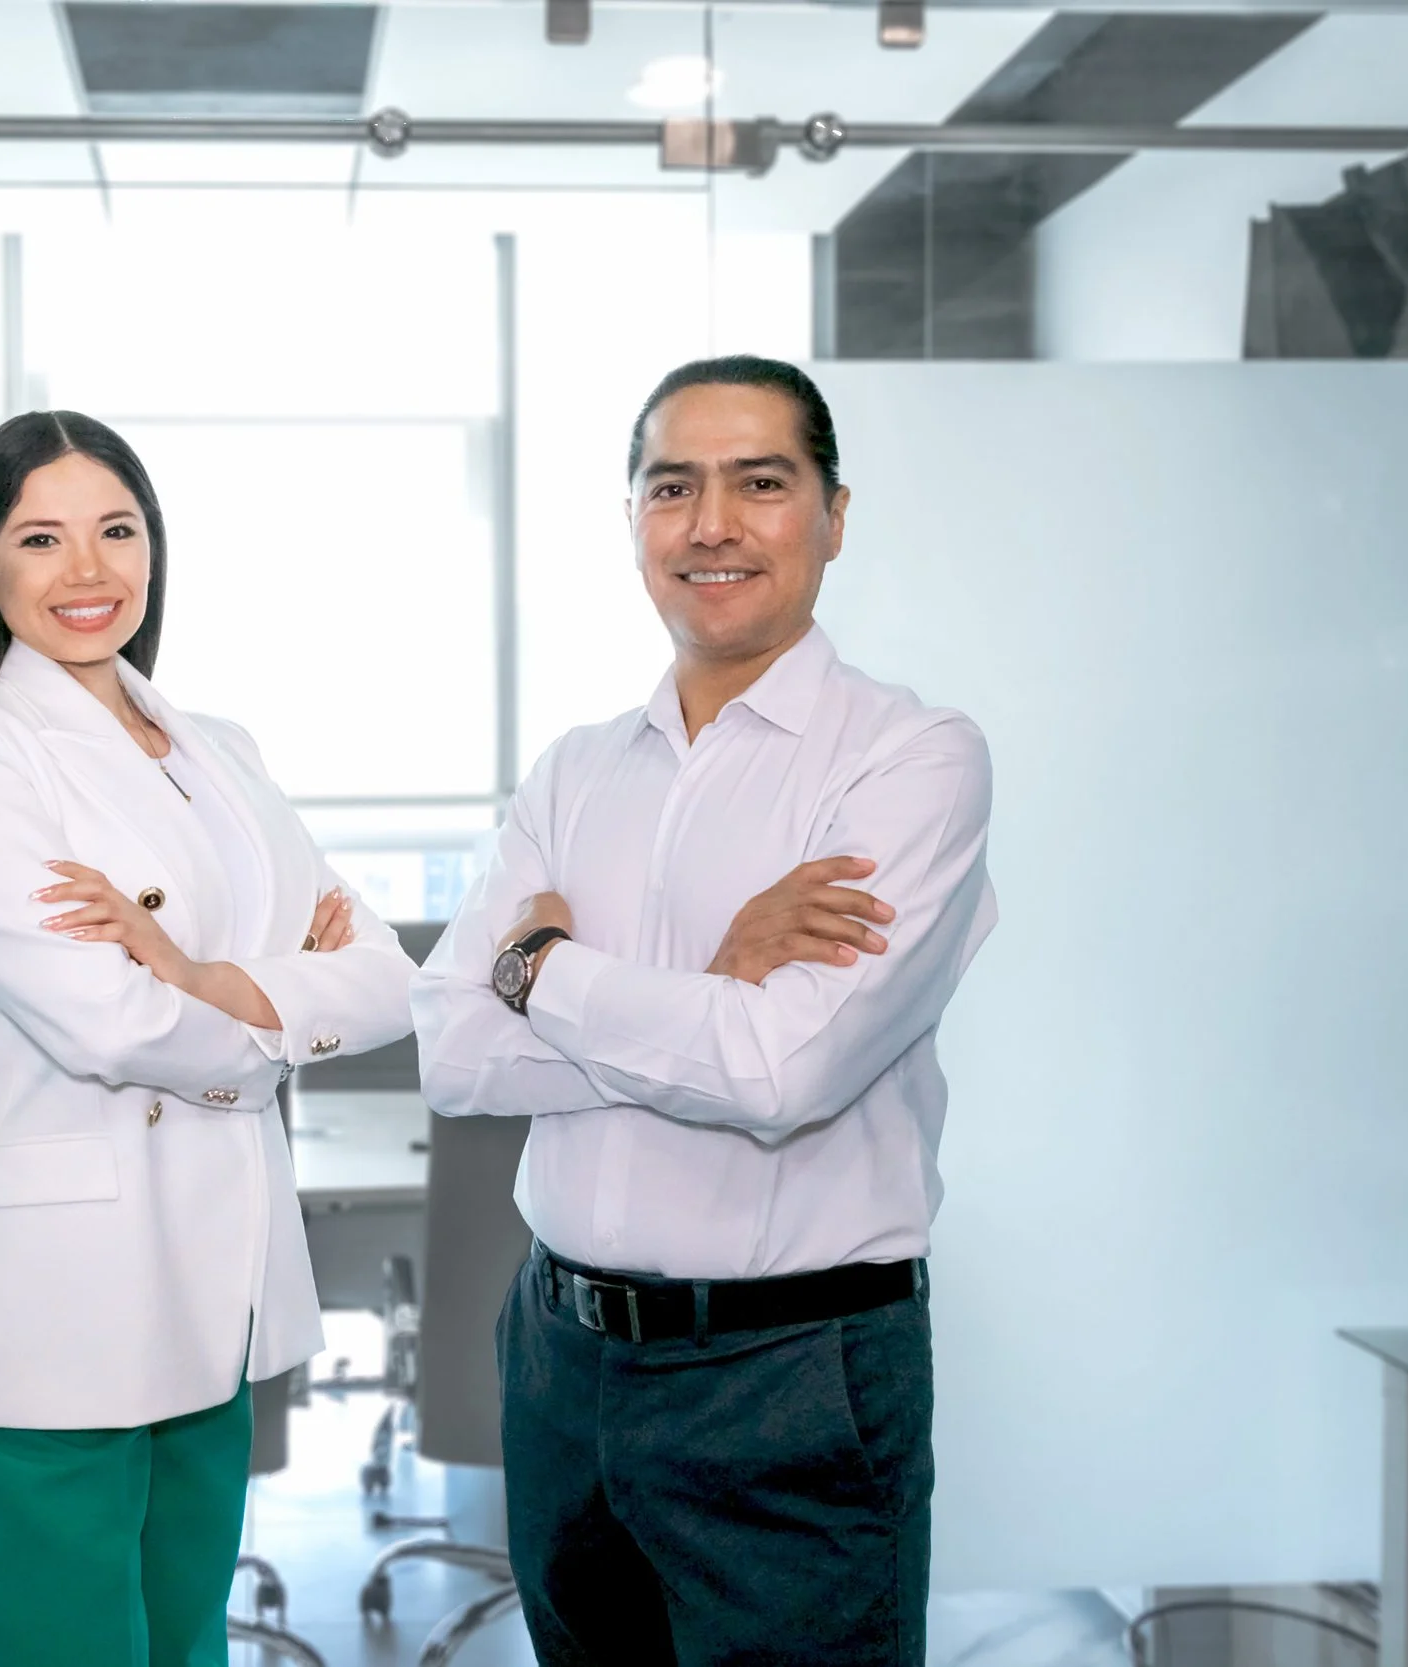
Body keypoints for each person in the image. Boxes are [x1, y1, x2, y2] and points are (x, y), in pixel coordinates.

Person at [409, 355, 998, 1666]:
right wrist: (700, 1000)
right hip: (560, 1359)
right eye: (673, 485)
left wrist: (545, 971)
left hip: (790, 1374)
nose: (712, 522)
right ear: (633, 521)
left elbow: (784, 1072)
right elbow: (451, 1049)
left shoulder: (910, 760)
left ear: (834, 515)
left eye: (761, 482)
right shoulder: (574, 770)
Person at [0, 410, 416, 1667]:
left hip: (214, 1284)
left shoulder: (223, 749)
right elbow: (102, 1015)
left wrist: (195, 972)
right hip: (49, 1301)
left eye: (116, 530)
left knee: (183, 1646)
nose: (88, 571)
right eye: (41, 537)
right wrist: (279, 1004)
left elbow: (387, 977)